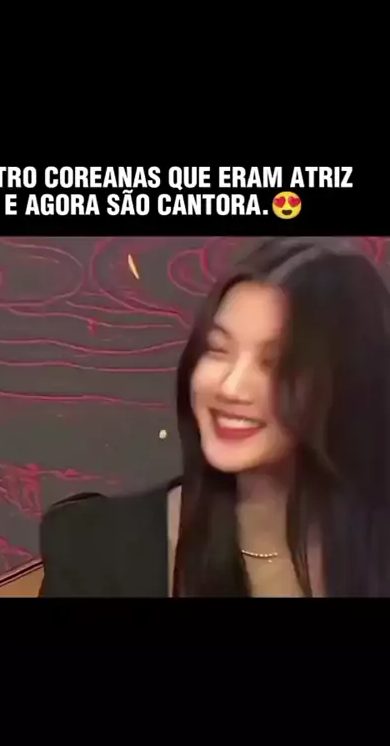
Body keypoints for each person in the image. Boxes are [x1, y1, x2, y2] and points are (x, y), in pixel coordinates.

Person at [39, 238, 390, 597]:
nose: (231, 387)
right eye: (218, 349)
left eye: (276, 363)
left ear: (350, 383)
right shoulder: (96, 550)